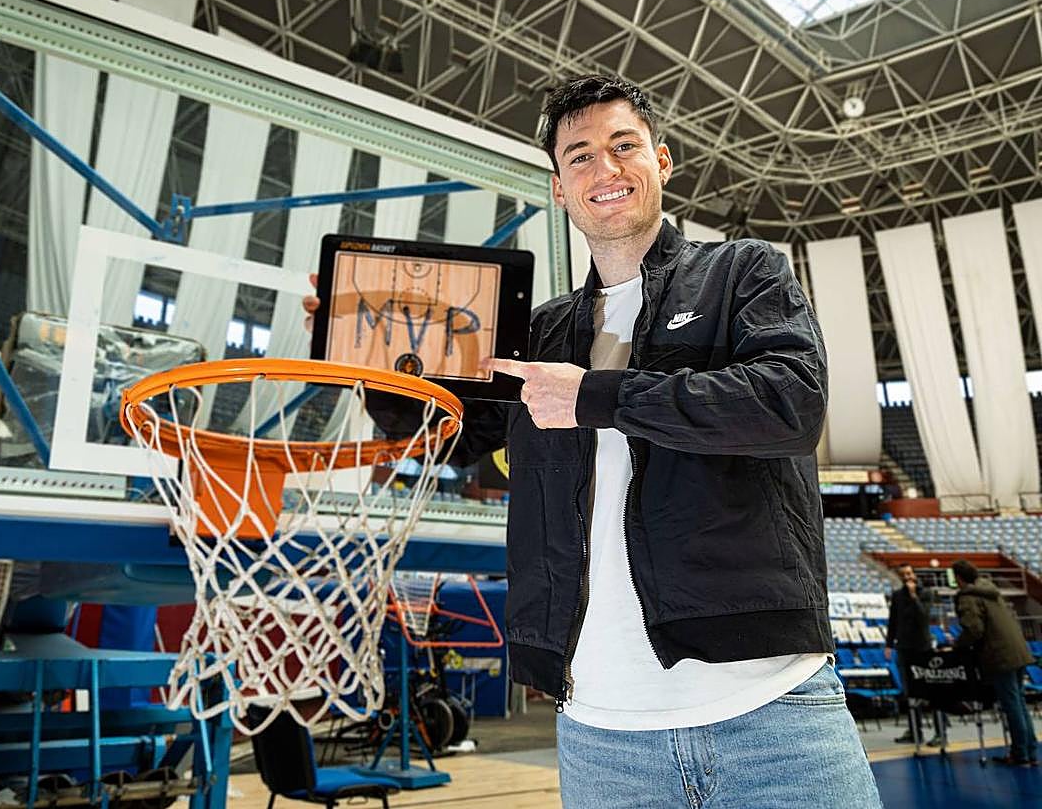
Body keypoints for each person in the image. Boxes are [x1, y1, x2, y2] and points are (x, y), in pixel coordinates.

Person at [305, 74, 880, 807]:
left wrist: (595, 394)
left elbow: (789, 405)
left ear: (662, 161)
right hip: (599, 733)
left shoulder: (743, 271)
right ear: (557, 187)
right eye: (580, 157)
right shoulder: (538, 332)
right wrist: (368, 361)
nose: (604, 170)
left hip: (770, 711)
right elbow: (446, 437)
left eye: (623, 146)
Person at [951, 559, 1038, 766]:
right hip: (1018, 650)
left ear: (959, 578)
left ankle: (1020, 754)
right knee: (1020, 703)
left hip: (1000, 655)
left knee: (1012, 706)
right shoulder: (990, 590)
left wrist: (956, 645)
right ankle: (1030, 751)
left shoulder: (968, 597)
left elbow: (974, 630)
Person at [884, 563, 942, 745]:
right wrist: (889, 644)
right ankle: (914, 730)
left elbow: (923, 616)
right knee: (910, 692)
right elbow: (893, 621)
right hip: (904, 648)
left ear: (914, 575)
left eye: (909, 573)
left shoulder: (926, 593)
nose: (907, 577)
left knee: (931, 691)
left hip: (923, 648)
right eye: (903, 575)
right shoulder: (897, 596)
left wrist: (913, 595)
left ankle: (940, 732)